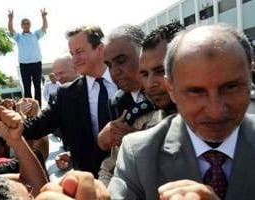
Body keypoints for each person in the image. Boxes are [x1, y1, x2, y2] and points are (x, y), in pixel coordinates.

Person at [108, 24, 255, 200]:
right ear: (171, 89)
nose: (215, 111)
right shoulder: (139, 155)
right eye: (196, 91)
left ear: (250, 76)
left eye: (231, 87)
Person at [3, 25, 117, 178]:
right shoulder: (67, 93)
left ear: (100, 49)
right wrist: (13, 122)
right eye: (72, 53)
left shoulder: (125, 80)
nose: (75, 59)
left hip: (131, 177)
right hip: (90, 181)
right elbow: (39, 126)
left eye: (79, 52)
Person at [97, 24, 154, 186]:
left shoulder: (166, 93)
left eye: (121, 61)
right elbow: (111, 161)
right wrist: (103, 140)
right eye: (109, 65)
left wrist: (135, 142)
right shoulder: (116, 102)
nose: (115, 71)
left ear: (143, 54)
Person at [8, 9, 48, 107]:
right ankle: (28, 106)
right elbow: (11, 30)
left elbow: (44, 28)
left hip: (36, 62)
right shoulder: (18, 37)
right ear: (21, 26)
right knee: (27, 87)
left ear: (30, 25)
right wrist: (10, 19)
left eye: (27, 23)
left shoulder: (35, 35)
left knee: (37, 86)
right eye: (24, 23)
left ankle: (38, 106)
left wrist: (44, 17)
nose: (26, 25)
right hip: (24, 64)